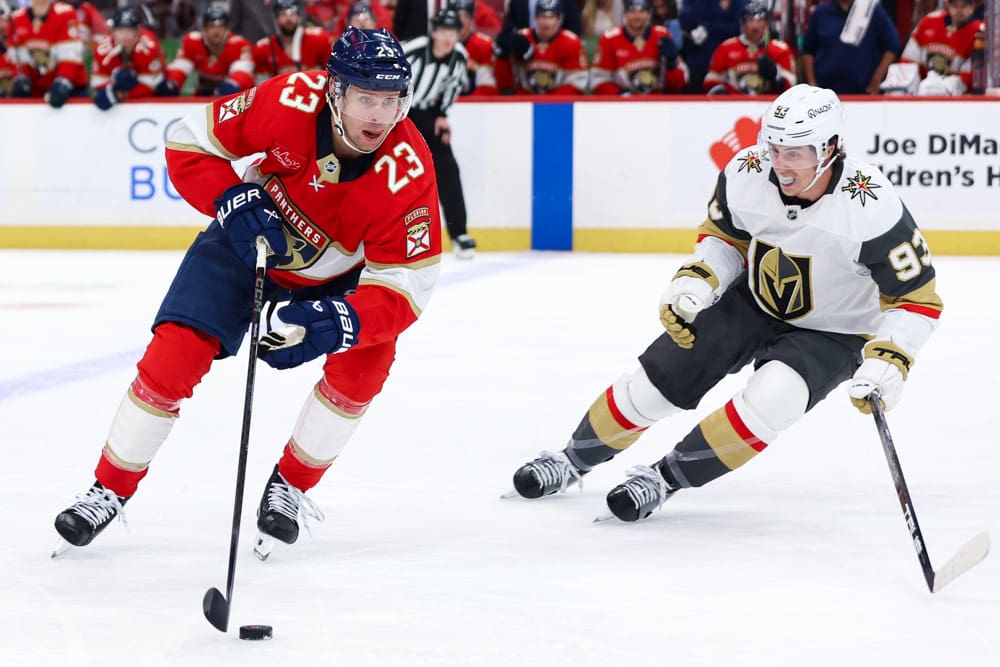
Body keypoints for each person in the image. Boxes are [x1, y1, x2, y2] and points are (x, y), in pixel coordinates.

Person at [53, 27, 442, 558]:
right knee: (174, 354)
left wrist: (344, 320)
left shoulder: (410, 169)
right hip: (247, 241)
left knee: (365, 364)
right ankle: (109, 488)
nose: (378, 115)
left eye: (390, 100)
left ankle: (291, 486)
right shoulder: (286, 100)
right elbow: (190, 139)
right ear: (335, 92)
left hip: (337, 279)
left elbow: (405, 284)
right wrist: (230, 199)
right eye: (365, 98)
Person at [507, 84, 943, 525]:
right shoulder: (746, 171)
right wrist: (700, 278)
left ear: (829, 149)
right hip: (754, 301)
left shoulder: (871, 204)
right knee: (654, 382)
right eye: (774, 148)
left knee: (773, 399)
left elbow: (917, 299)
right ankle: (571, 459)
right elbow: (725, 237)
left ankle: (664, 479)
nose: (780, 165)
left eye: (795, 153)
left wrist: (890, 358)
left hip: (836, 330)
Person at [403, 9, 476, 258]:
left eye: (452, 32)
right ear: (433, 32)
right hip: (401, 113)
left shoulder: (459, 57)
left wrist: (443, 114)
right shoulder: (413, 49)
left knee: (447, 169)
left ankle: (459, 233)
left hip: (429, 115)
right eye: (443, 31)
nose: (447, 37)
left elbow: (452, 87)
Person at [801, 0, 901, 95]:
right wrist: (812, 83)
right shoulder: (821, 13)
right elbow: (808, 50)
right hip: (825, 94)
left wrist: (877, 79)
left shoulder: (871, 10)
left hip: (862, 94)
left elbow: (893, 45)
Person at [590, 0, 687, 95]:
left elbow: (681, 83)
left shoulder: (663, 36)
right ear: (625, 13)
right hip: (622, 105)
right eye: (632, 11)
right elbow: (597, 80)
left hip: (656, 104)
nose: (637, 16)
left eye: (642, 11)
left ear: (649, 13)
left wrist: (672, 66)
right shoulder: (609, 39)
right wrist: (619, 95)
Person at [158, 4, 255, 97]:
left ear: (227, 29)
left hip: (234, 99)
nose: (216, 31)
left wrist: (228, 87)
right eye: (211, 26)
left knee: (227, 90)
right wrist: (172, 84)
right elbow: (179, 70)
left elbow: (242, 77)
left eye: (220, 26)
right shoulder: (192, 42)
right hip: (203, 95)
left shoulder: (239, 45)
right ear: (204, 29)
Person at [702, 1, 795, 94]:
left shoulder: (780, 50)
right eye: (750, 20)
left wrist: (776, 77)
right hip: (735, 104)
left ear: (766, 24)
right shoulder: (726, 48)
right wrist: (721, 93)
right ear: (743, 24)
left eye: (759, 20)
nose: (755, 26)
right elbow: (710, 81)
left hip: (768, 104)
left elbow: (792, 86)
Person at [7, 0, 87, 107]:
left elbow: (71, 56)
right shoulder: (16, 19)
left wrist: (63, 81)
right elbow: (18, 60)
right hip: (36, 91)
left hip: (71, 89)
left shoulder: (65, 13)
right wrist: (21, 78)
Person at [898, 0, 985, 96]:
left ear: (973, 7)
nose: (959, 10)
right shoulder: (929, 22)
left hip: (956, 99)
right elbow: (907, 65)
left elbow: (967, 80)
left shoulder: (979, 33)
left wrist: (941, 87)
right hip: (921, 94)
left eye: (965, 6)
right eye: (955, 5)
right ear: (947, 3)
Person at [91, 6, 167, 110]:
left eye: (129, 31)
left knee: (166, 89)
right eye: (120, 31)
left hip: (147, 96)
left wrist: (119, 94)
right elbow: (97, 86)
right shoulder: (102, 50)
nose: (124, 36)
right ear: (112, 31)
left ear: (137, 32)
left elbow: (150, 86)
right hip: (123, 89)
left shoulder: (148, 46)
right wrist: (115, 88)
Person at [507, 0, 589, 95]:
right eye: (542, 16)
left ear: (559, 19)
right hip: (525, 102)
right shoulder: (521, 38)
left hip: (558, 103)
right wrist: (504, 55)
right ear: (535, 18)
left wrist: (550, 101)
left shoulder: (572, 43)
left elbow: (576, 84)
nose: (546, 23)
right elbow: (508, 82)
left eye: (551, 17)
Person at [252, 0, 332, 81]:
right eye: (283, 14)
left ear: (299, 17)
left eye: (293, 14)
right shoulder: (264, 47)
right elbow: (261, 85)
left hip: (312, 90)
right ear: (276, 19)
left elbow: (330, 74)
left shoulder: (318, 39)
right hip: (280, 91)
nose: (288, 19)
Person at [679, 0, 746, 94]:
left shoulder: (738, 2)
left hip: (730, 63)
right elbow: (687, 22)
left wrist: (708, 27)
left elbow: (739, 28)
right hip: (699, 61)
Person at [450, 0, 501, 95]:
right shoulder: (441, 45)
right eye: (458, 16)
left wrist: (465, 104)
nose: (461, 21)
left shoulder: (483, 45)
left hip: (473, 105)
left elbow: (487, 89)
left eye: (466, 16)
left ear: (472, 21)